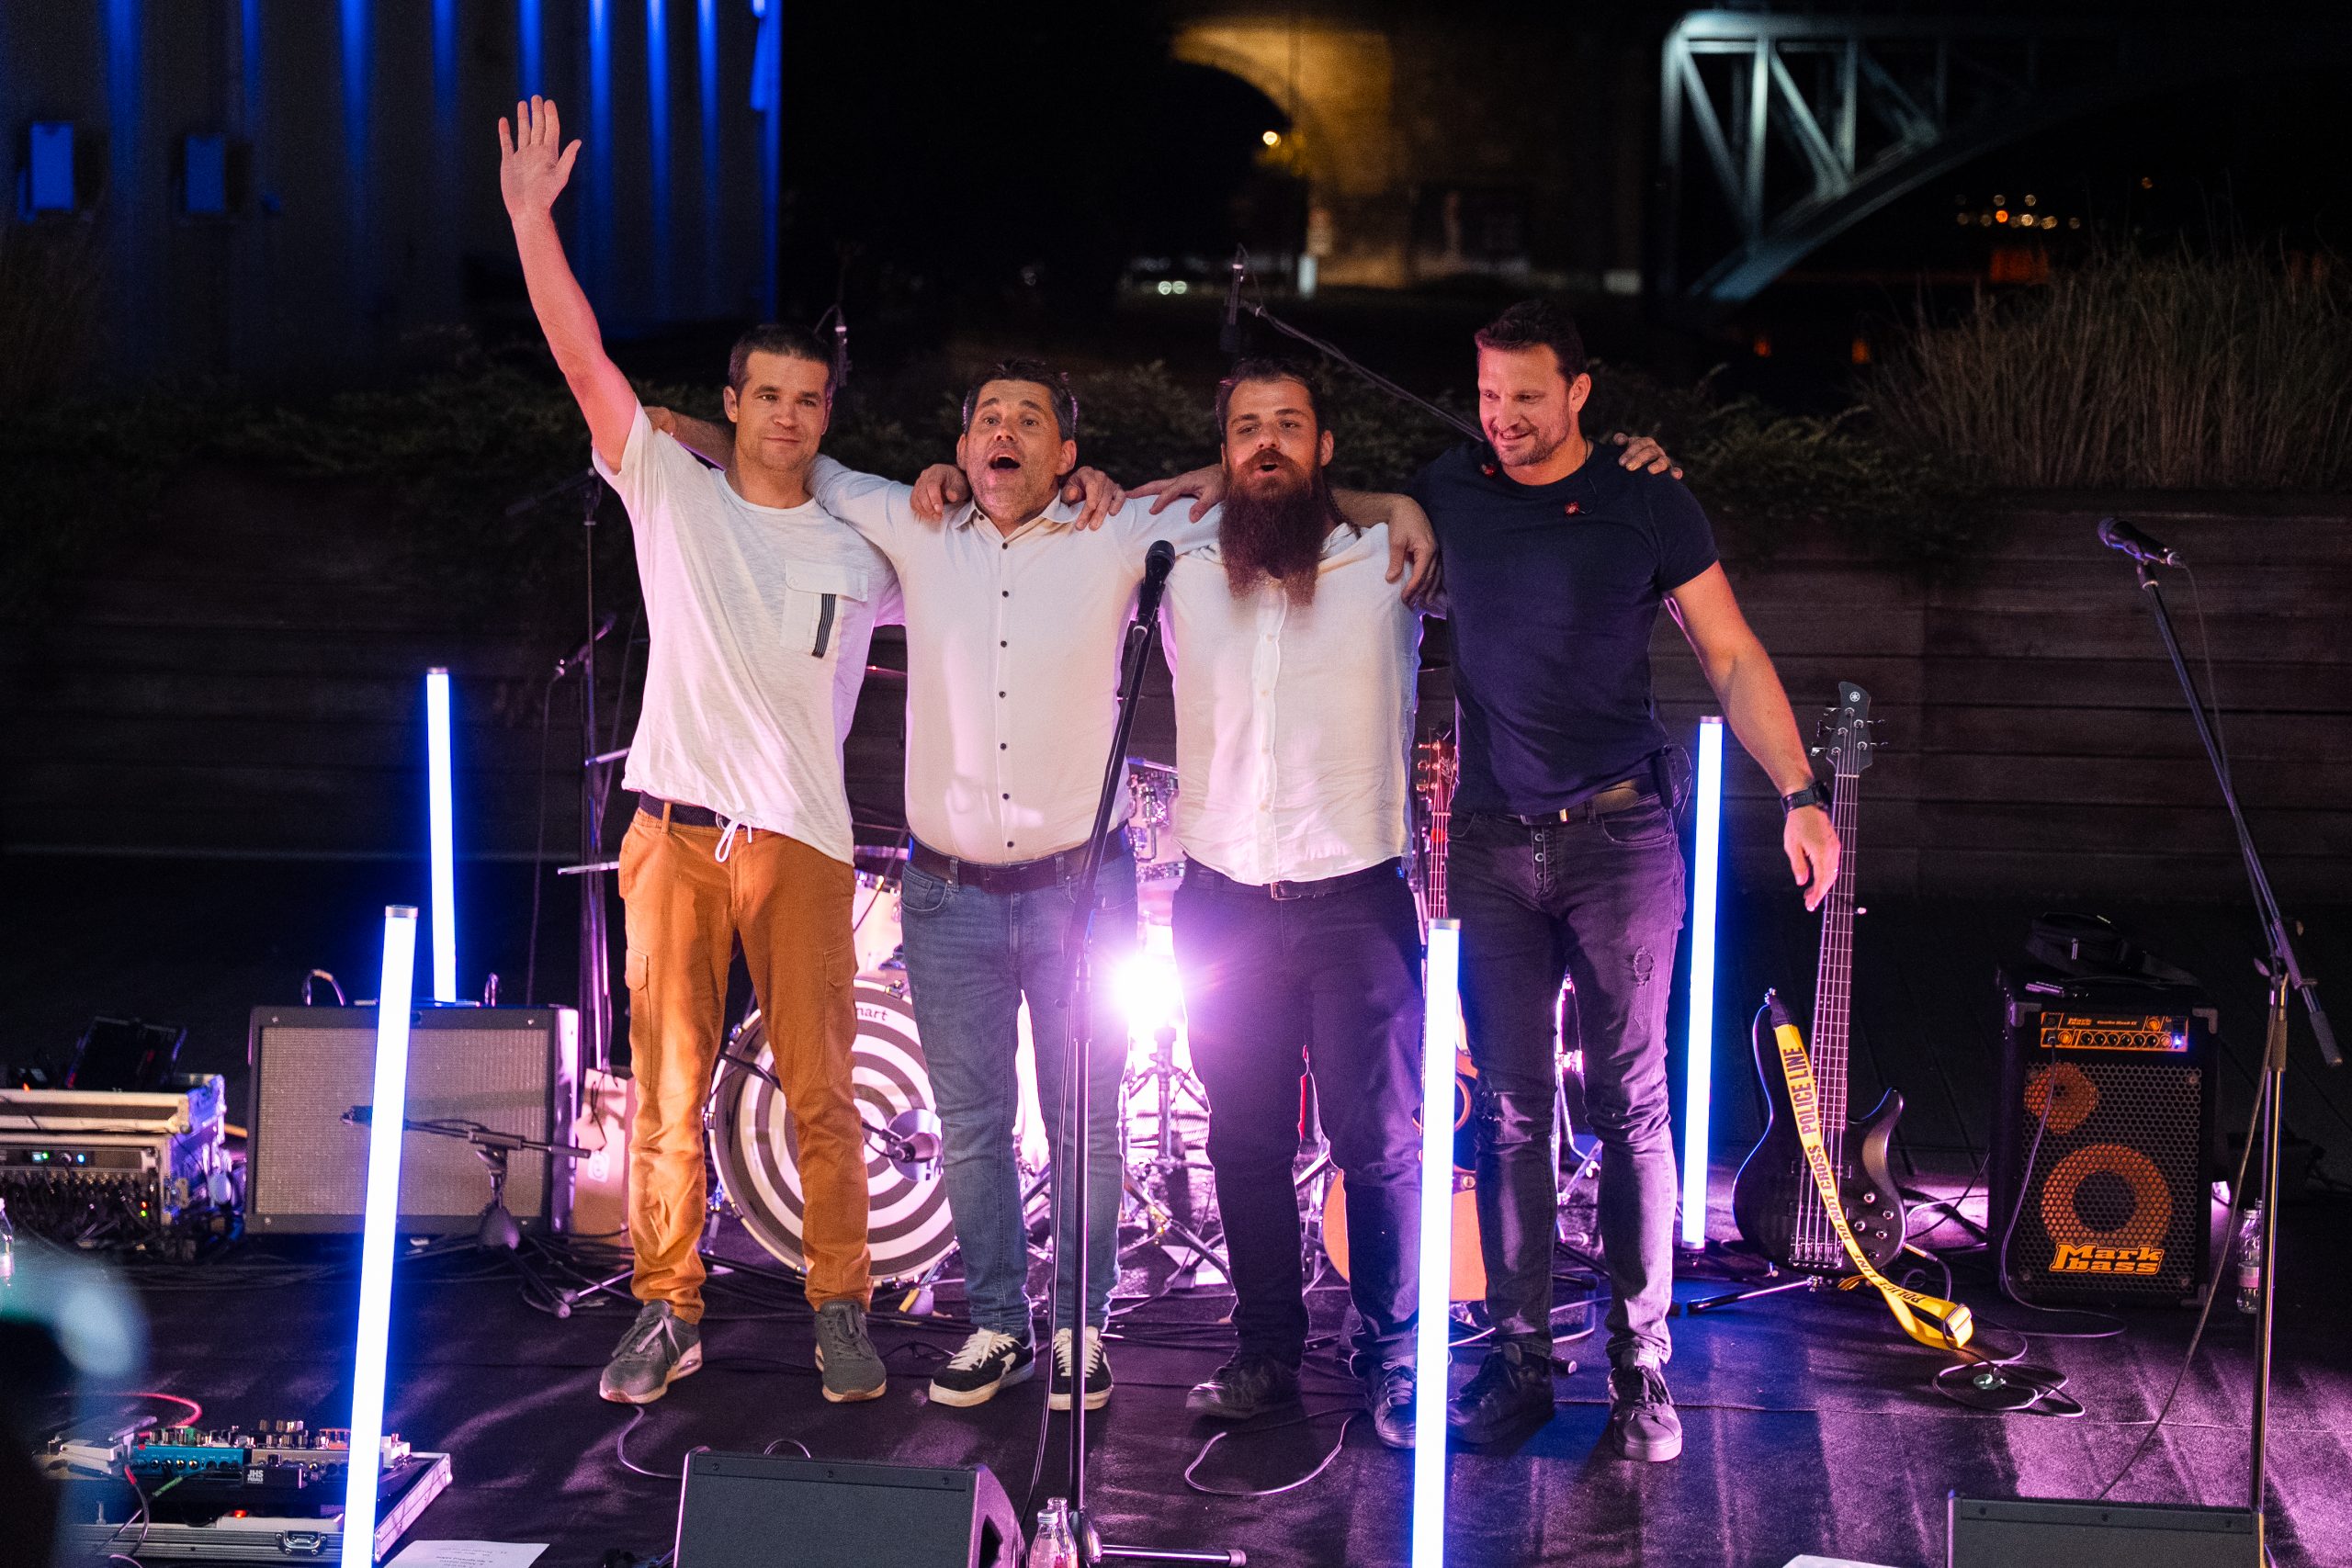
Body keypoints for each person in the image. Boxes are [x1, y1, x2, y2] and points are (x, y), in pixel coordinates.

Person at [651, 369, 1437, 1416]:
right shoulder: (960, 528)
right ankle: (1048, 1331)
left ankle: (1154, 1333)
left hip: (1176, 893)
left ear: (1067, 455)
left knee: (1209, 1131)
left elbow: (1267, 487)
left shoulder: (1194, 540)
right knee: (1031, 1127)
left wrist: (1394, 501)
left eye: (1030, 419)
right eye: (988, 417)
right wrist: (682, 426)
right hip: (1015, 896)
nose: (1006, 431)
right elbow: (802, 462)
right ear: (963, 445)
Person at [498, 98, 899, 1407]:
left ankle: (842, 1306)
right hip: (672, 830)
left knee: (823, 1092)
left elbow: (998, 562)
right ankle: (667, 1307)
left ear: (827, 413)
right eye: (765, 396)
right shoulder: (669, 485)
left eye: (808, 399)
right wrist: (530, 220)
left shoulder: (865, 548)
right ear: (732, 402)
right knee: (665, 1091)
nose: (786, 415)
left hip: (803, 841)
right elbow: (581, 359)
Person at [1420, 299, 1838, 1461]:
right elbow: (1329, 508)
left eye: (1526, 396)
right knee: (1510, 1112)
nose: (1503, 418)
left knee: (1632, 1106)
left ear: (1579, 393)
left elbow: (1730, 651)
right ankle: (1517, 1356)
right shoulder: (1449, 489)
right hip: (1490, 843)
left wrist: (1802, 792)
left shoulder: (1647, 499)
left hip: (1619, 841)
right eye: (1487, 395)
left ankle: (1640, 1363)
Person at [1159, 360, 1432, 1448]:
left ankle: (1393, 1354)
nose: (1265, 443)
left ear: (1326, 447)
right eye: (1244, 429)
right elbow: (1062, 502)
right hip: (1220, 902)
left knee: (1381, 1147)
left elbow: (1522, 504)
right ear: (1222, 451)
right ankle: (1266, 1352)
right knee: (1243, 1143)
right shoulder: (1174, 561)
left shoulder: (1392, 555)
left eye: (1288, 426)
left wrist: (1394, 500)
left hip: (1355, 905)